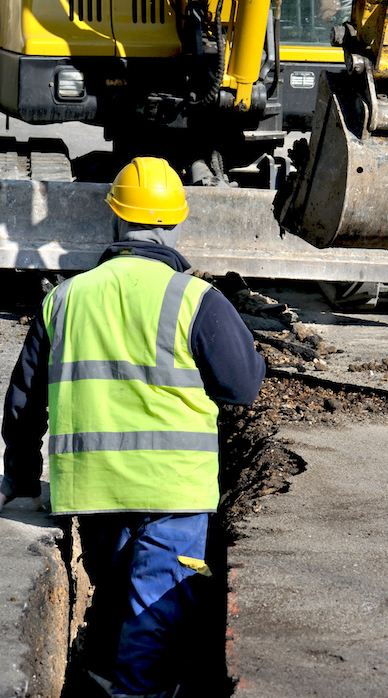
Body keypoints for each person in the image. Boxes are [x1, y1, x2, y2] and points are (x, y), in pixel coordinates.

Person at [0, 156, 265, 697]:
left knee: (117, 602)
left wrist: (23, 480)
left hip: (94, 494)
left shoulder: (65, 299)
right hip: (173, 493)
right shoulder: (195, 299)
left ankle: (103, 677)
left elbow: (23, 406)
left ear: (115, 217)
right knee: (152, 617)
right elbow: (242, 387)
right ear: (175, 221)